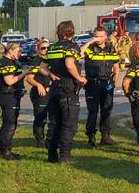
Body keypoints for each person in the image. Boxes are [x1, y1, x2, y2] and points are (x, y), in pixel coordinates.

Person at [43, 20, 88, 163]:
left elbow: (42, 67)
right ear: (72, 31)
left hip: (54, 88)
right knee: (69, 124)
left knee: (55, 123)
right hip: (68, 89)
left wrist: (50, 75)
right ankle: (65, 155)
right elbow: (69, 64)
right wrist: (79, 78)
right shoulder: (71, 47)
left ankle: (52, 155)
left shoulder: (52, 48)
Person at [80, 28, 121, 147]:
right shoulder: (89, 48)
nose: (98, 38)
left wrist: (115, 78)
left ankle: (105, 137)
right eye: (96, 36)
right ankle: (91, 138)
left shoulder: (110, 48)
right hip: (92, 84)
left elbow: (116, 65)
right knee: (93, 112)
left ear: (106, 36)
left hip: (107, 84)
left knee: (106, 111)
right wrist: (90, 41)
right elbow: (79, 53)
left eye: (100, 36)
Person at [0, 42, 30, 160]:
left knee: (12, 123)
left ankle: (7, 150)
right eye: (18, 51)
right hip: (8, 96)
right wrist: (24, 73)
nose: (20, 53)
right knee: (9, 125)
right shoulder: (5, 63)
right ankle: (5, 152)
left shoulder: (12, 61)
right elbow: (9, 81)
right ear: (10, 50)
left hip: (12, 96)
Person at [23, 39, 54, 147]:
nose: (46, 50)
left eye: (48, 48)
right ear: (38, 49)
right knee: (41, 117)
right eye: (43, 48)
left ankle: (51, 140)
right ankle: (40, 140)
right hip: (39, 93)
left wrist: (50, 86)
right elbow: (29, 78)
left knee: (53, 117)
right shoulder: (35, 61)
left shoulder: (51, 60)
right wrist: (39, 85)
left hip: (51, 92)